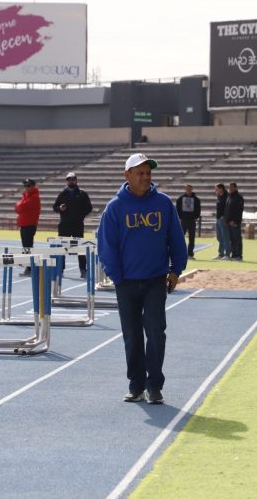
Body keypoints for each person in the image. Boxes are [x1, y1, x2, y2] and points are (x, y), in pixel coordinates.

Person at [97, 152, 188, 405]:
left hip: (155, 280)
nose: (146, 177)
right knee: (132, 334)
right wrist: (117, 277)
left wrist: (176, 270)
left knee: (156, 331)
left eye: (148, 173)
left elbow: (175, 238)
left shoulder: (163, 203)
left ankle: (154, 385)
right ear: (127, 175)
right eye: (140, 173)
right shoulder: (115, 207)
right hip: (126, 282)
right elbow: (106, 246)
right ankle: (136, 385)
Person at [53, 172, 93, 278]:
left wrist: (81, 215)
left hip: (77, 225)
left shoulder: (82, 193)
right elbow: (55, 207)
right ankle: (60, 269)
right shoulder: (62, 193)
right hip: (64, 225)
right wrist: (60, 208)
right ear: (66, 181)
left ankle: (83, 270)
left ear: (76, 180)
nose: (71, 181)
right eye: (69, 179)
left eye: (73, 179)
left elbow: (89, 207)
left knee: (80, 248)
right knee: (62, 248)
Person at [16, 178, 42, 276]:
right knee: (26, 247)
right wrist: (19, 205)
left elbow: (20, 207)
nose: (26, 188)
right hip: (24, 224)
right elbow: (18, 208)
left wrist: (18, 204)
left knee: (28, 247)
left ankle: (31, 268)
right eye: (25, 186)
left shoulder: (34, 197)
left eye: (28, 186)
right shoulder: (27, 196)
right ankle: (29, 268)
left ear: (33, 186)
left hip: (29, 225)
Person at [176, 183, 201, 259]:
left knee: (192, 238)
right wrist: (180, 217)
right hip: (183, 221)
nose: (188, 190)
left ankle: (190, 254)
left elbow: (198, 209)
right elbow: (177, 209)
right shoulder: (180, 199)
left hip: (192, 221)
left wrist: (196, 217)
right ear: (185, 189)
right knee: (180, 237)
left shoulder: (196, 199)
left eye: (189, 188)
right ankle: (180, 253)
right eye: (187, 188)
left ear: (192, 189)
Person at [224, 182, 244, 261]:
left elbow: (239, 210)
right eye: (229, 187)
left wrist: (234, 221)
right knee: (232, 239)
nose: (230, 189)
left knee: (237, 239)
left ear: (236, 188)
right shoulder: (229, 197)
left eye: (232, 187)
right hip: (229, 222)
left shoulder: (239, 197)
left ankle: (239, 255)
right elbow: (227, 209)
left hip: (235, 222)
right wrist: (227, 220)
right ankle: (234, 254)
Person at [214, 183, 231, 260]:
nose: (215, 191)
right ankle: (221, 253)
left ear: (221, 189)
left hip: (223, 219)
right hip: (218, 219)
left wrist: (224, 216)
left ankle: (227, 254)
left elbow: (228, 208)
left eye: (216, 189)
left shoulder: (227, 196)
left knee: (225, 237)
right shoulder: (219, 196)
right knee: (219, 237)